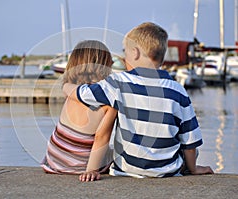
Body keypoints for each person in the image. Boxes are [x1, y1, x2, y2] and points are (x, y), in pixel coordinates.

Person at [63, 22, 214, 178]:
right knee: (188, 146)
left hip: (127, 170)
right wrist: (194, 169)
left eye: (125, 52)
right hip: (167, 171)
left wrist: (66, 86)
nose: (123, 57)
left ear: (134, 53)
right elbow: (190, 143)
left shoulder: (118, 83)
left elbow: (82, 93)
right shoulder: (178, 91)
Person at [41, 40, 117, 181]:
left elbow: (65, 87)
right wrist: (91, 170)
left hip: (54, 160)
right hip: (80, 166)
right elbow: (101, 138)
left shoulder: (71, 89)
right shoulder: (109, 101)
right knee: (118, 154)